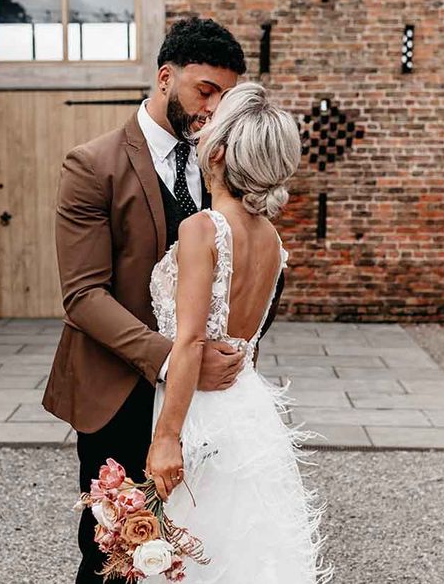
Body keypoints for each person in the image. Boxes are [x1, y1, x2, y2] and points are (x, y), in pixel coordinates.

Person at [42, 18, 283, 583]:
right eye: (205, 90)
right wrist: (179, 358)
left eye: (224, 95)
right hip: (117, 390)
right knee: (117, 554)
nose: (213, 107)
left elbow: (252, 268)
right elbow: (82, 296)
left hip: (209, 408)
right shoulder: (92, 165)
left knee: (203, 548)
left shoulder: (226, 162)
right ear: (165, 76)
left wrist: (235, 352)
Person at [146, 82, 333, 583]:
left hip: (199, 411)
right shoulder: (271, 239)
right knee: (243, 553)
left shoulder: (201, 228)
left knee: (196, 550)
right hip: (249, 411)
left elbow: (188, 342)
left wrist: (165, 439)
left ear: (222, 152)